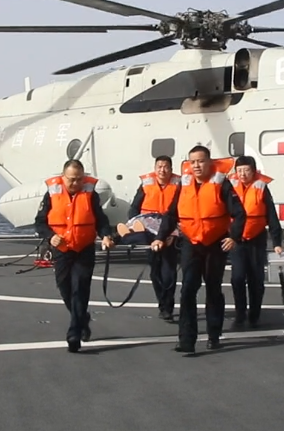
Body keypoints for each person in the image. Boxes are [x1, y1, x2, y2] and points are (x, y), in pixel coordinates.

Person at [152, 145, 246, 354]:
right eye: (192, 161)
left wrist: (233, 237)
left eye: (200, 161)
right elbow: (170, 215)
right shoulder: (183, 185)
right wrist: (160, 237)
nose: (196, 165)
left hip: (215, 244)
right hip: (190, 244)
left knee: (213, 289)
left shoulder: (221, 183)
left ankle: (214, 334)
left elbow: (240, 214)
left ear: (209, 162)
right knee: (187, 290)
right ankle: (187, 339)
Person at [33, 159, 116, 352]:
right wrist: (50, 236)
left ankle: (74, 334)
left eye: (79, 179)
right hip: (61, 249)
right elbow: (40, 222)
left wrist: (105, 235)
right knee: (65, 289)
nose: (75, 183)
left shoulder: (90, 194)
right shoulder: (52, 193)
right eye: (71, 179)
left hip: (84, 249)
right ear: (63, 177)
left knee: (80, 289)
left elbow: (100, 219)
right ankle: (82, 319)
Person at [227, 156, 284, 328]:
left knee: (256, 279)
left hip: (256, 239)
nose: (243, 174)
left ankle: (254, 314)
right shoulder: (230, 187)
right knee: (237, 278)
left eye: (246, 170)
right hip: (236, 240)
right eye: (239, 171)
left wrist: (277, 242)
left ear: (254, 171)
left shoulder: (261, 188)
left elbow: (272, 216)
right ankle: (239, 313)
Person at [125, 155, 180, 322]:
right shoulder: (146, 184)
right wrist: (135, 227)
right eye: (159, 167)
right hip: (150, 233)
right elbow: (134, 208)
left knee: (169, 273)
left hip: (171, 233)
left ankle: (168, 307)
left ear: (171, 169)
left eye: (165, 167)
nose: (162, 170)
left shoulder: (180, 184)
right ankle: (162, 304)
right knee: (155, 272)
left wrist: (174, 233)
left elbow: (183, 211)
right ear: (155, 168)